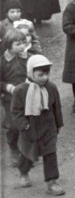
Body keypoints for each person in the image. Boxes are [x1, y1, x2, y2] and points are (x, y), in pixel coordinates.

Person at [10, 55, 64, 195]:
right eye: (40, 74)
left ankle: (52, 182)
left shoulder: (51, 87)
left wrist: (58, 125)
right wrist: (24, 126)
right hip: (30, 128)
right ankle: (23, 173)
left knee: (50, 153)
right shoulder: (21, 90)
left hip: (48, 127)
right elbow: (15, 112)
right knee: (28, 153)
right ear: (30, 73)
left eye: (47, 74)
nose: (44, 78)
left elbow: (56, 107)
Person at [0, 29, 30, 167]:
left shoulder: (27, 57)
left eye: (23, 43)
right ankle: (13, 148)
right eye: (18, 44)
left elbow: (34, 71)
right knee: (13, 125)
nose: (22, 46)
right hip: (10, 97)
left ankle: (25, 151)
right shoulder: (2, 62)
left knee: (27, 122)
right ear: (8, 45)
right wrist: (7, 87)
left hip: (26, 95)